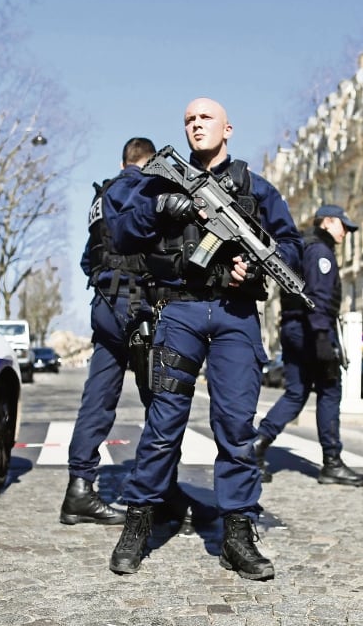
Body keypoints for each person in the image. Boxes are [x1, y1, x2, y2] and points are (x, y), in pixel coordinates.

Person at [102, 97, 303, 580]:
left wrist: (253, 264)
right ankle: (139, 521)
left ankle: (238, 530)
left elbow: (292, 247)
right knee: (163, 423)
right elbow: (120, 232)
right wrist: (159, 207)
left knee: (236, 425)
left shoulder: (257, 188)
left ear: (227, 128)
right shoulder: (158, 180)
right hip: (180, 309)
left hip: (236, 315)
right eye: (189, 120)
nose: (196, 125)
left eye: (205, 118)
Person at [59, 137, 157, 526]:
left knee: (97, 399)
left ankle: (79, 490)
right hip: (134, 304)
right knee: (161, 400)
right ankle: (160, 492)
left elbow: (88, 260)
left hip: (104, 304)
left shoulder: (100, 198)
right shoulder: (141, 187)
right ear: (147, 162)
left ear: (123, 160)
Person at [252, 205, 363, 488]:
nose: (346, 232)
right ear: (327, 222)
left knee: (296, 393)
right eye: (343, 225)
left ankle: (257, 445)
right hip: (311, 330)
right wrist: (322, 341)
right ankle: (332, 463)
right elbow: (317, 297)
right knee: (330, 390)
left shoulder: (302, 246)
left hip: (293, 327)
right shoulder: (319, 252)